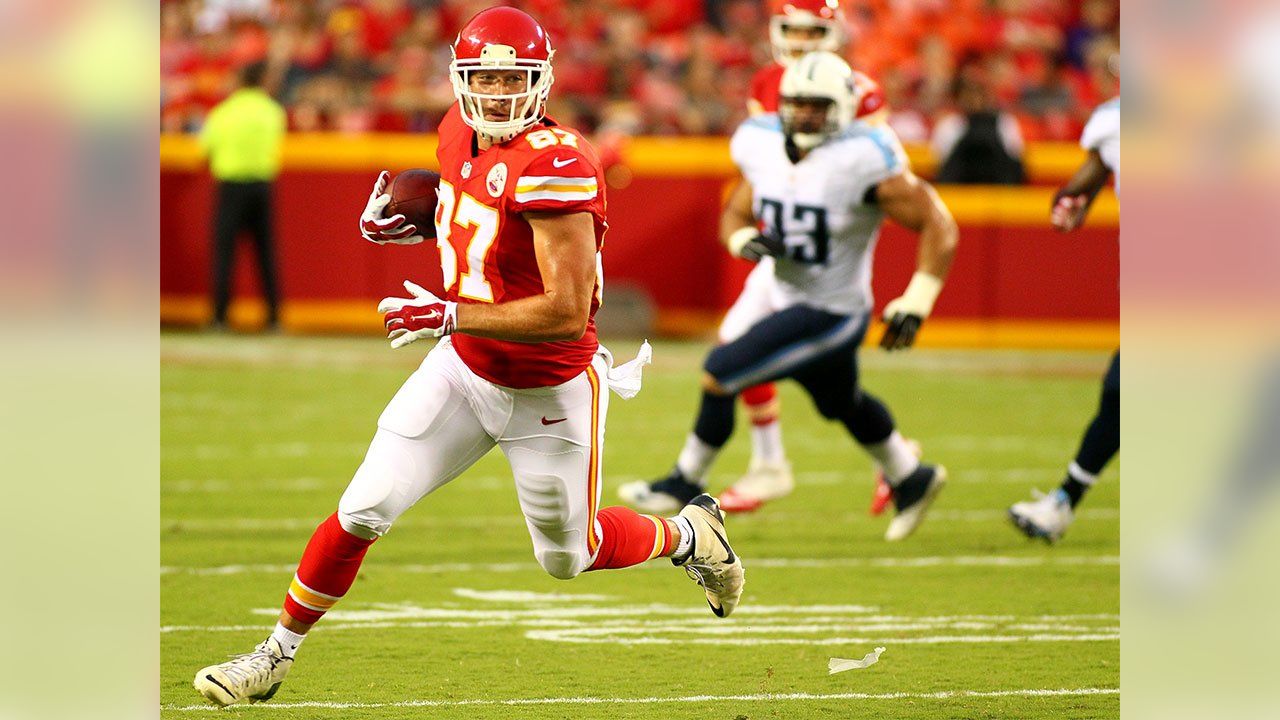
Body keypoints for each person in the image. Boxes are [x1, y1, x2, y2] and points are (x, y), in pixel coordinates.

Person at [191, 7, 744, 708]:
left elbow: (566, 310)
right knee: (363, 507)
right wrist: (413, 218)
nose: (498, 94)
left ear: (542, 83)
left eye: (514, 79)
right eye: (484, 78)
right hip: (464, 368)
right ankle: (274, 655)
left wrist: (450, 311)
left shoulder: (560, 166)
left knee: (566, 558)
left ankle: (689, 534)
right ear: (459, 78)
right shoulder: (457, 131)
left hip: (549, 387)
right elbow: (471, 210)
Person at [622, 51, 957, 542]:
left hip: (831, 311)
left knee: (720, 372)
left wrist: (918, 297)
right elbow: (734, 213)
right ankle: (911, 477)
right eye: (796, 104)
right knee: (841, 402)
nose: (804, 115)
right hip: (785, 293)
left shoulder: (864, 158)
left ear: (843, 109)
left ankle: (683, 481)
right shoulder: (760, 144)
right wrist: (743, 242)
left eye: (817, 106)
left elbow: (938, 224)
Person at [1008, 91, 1118, 542]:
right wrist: (1077, 194)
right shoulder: (1119, 119)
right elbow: (1103, 163)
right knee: (1121, 394)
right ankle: (1063, 502)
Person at [199, 60, 286, 331]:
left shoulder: (223, 112)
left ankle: (220, 317)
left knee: (225, 254)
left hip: (230, 186)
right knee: (265, 254)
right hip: (261, 186)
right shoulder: (272, 111)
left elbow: (205, 150)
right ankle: (273, 318)